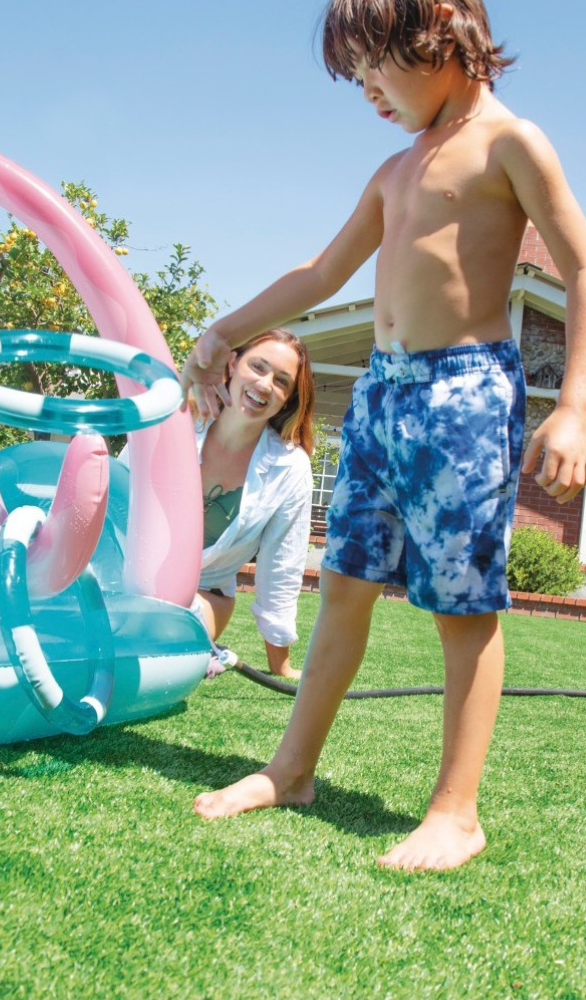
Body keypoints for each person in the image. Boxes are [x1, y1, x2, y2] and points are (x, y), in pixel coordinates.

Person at [181, 0, 586, 871]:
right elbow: (324, 273)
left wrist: (577, 403)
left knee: (462, 604)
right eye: (355, 75)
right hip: (382, 395)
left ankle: (456, 812)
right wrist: (224, 327)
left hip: (466, 395)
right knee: (347, 584)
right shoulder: (395, 169)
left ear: (439, 29)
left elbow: (582, 263)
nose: (365, 89)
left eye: (373, 66)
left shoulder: (510, 143)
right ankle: (290, 771)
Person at [190, 328, 316, 682]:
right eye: (258, 367)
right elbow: (117, 499)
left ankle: (190, 649)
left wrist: (281, 666)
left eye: (281, 381)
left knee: (159, 633)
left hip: (202, 599)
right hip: (125, 581)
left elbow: (282, 566)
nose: (264, 384)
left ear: (288, 398)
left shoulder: (290, 467)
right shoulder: (177, 420)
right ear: (232, 363)